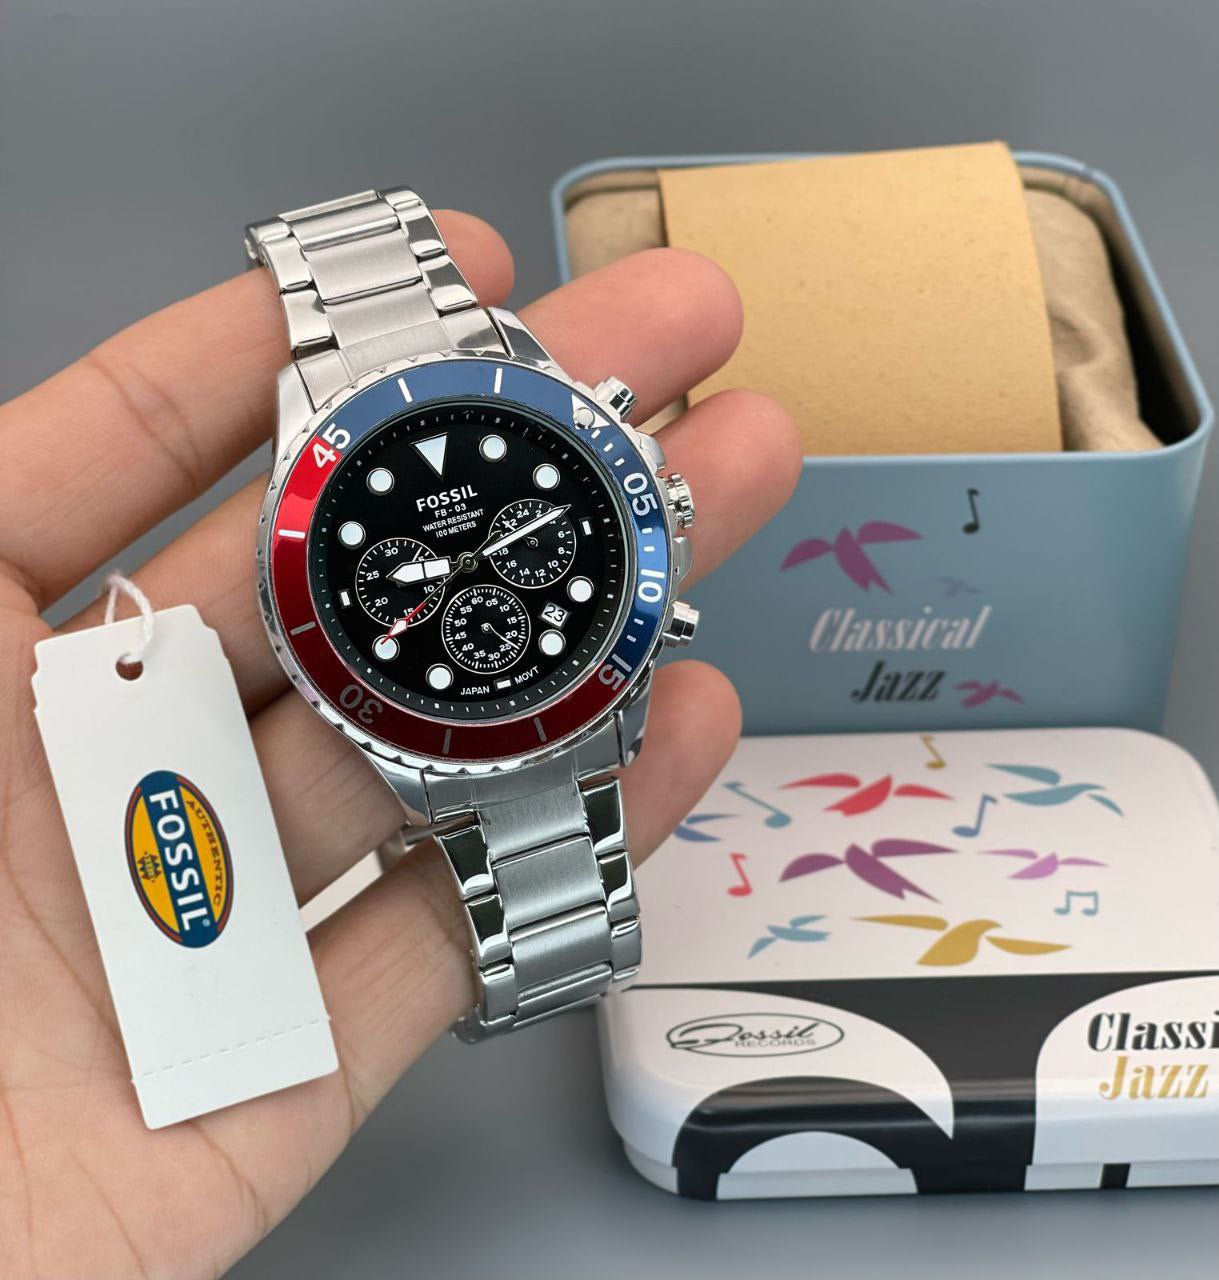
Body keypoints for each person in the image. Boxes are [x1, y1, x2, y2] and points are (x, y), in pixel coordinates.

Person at [0, 209, 800, 1277]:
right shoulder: (330, 582)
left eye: (515, 534)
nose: (468, 559)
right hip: (442, 713)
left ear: (657, 498)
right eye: (420, 568)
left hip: (556, 699)